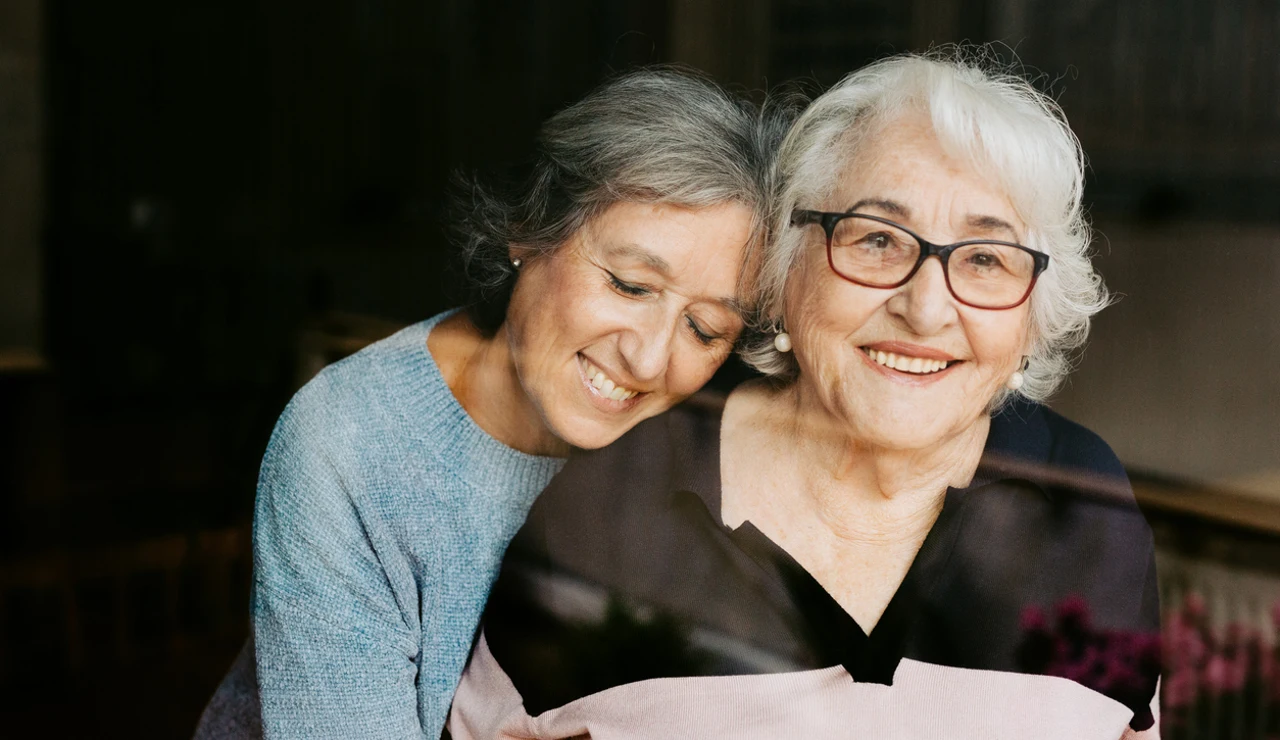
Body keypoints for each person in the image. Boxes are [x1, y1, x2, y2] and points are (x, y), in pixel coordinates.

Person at [453, 52, 1161, 739]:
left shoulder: (1086, 508)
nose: (925, 309)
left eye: (984, 258)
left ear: (1033, 314)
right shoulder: (616, 498)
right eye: (877, 241)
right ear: (785, 272)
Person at [192, 68, 790, 739]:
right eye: (629, 285)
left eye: (705, 328)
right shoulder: (350, 442)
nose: (650, 361)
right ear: (530, 231)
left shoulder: (686, 462)